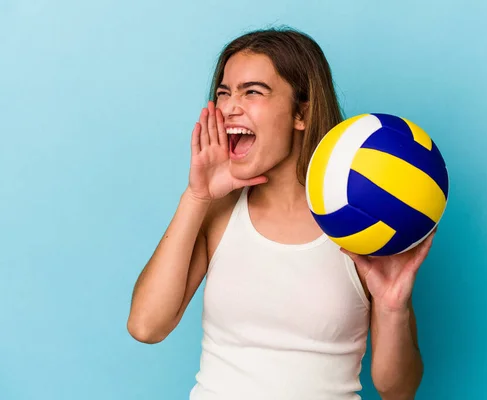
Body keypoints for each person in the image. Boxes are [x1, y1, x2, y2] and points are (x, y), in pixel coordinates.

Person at [127, 26, 435, 400]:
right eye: (224, 93)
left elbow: (398, 390)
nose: (229, 108)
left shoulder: (362, 220)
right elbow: (146, 326)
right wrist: (196, 196)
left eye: (252, 92)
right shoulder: (220, 213)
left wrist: (392, 308)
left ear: (301, 114)